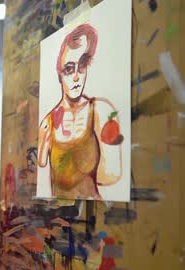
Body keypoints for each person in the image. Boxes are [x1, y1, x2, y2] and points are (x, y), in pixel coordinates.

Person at [38, 24, 122, 200]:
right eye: (69, 69)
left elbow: (111, 175)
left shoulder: (100, 111)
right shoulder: (47, 124)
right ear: (59, 75)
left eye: (82, 66)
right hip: (59, 222)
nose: (76, 76)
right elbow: (42, 180)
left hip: (93, 214)